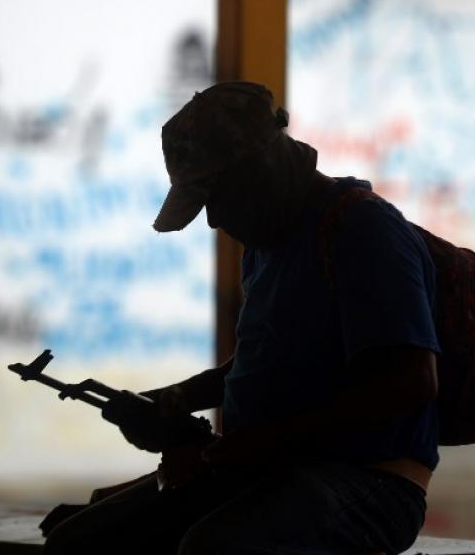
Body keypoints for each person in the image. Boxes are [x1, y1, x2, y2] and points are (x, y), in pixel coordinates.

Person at [43, 82, 440, 555]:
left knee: (214, 550)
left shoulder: (364, 231)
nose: (213, 221)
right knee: (78, 543)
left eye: (218, 198)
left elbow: (412, 381)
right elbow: (265, 363)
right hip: (270, 468)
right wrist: (177, 400)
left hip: (371, 482)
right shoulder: (265, 244)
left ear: (262, 168)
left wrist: (266, 441)